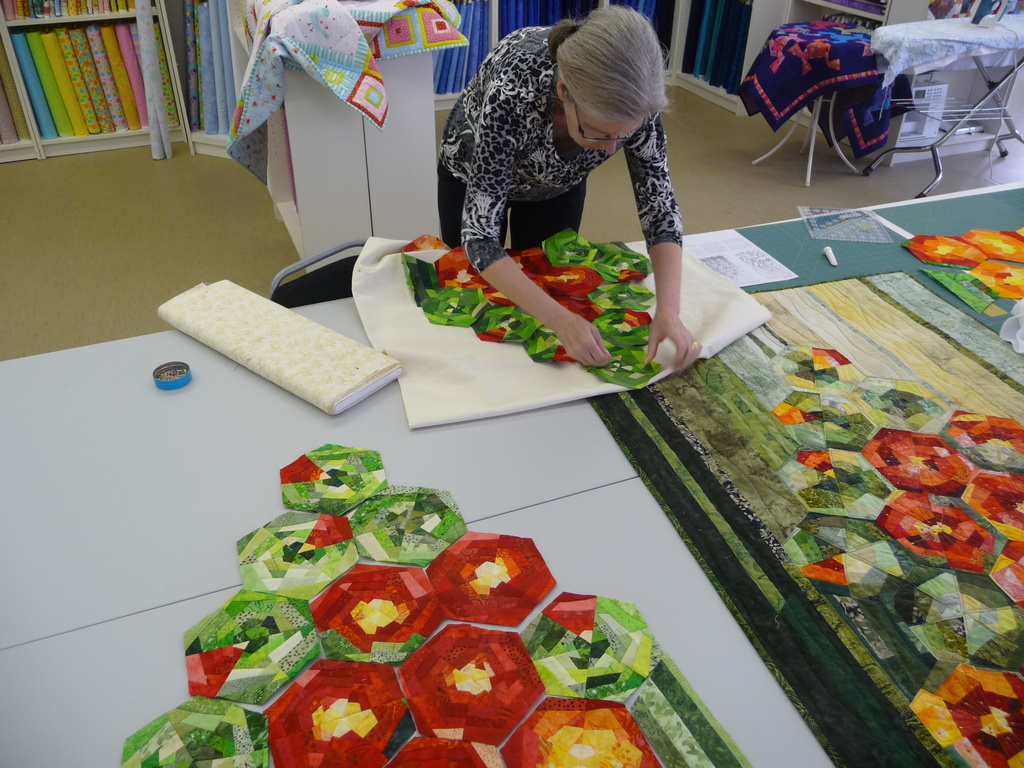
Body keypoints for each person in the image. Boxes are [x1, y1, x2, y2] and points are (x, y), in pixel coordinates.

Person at [437, 5, 701, 370]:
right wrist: (560, 320)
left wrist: (669, 310)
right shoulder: (514, 86)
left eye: (622, 136)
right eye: (600, 133)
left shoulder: (638, 98)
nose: (611, 149)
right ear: (564, 92)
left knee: (551, 286)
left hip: (557, 187)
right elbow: (480, 236)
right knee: (475, 304)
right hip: (472, 174)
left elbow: (660, 208)